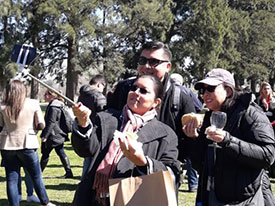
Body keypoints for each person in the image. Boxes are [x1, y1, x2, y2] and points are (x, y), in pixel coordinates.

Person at [71, 74, 181, 206]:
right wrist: (83, 123)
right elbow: (85, 150)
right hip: (94, 198)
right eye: (133, 88)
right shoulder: (106, 119)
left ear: (156, 102)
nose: (136, 93)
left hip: (136, 199)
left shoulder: (166, 134)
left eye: (143, 91)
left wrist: (143, 162)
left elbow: (171, 173)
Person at [107, 41, 196, 185]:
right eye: (142, 60)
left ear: (168, 66)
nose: (146, 66)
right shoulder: (124, 89)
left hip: (158, 176)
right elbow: (107, 126)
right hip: (116, 173)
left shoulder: (181, 97)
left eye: (154, 62)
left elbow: (187, 147)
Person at [183, 68, 275, 205]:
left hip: (245, 200)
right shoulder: (209, 117)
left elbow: (268, 155)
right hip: (212, 198)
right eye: (202, 90)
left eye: (210, 89)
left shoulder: (250, 114)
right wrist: (194, 139)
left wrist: (227, 140)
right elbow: (200, 165)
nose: (204, 94)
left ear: (228, 90)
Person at [0, 80, 55, 206]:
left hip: (7, 144)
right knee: (36, 176)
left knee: (11, 179)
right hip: (28, 143)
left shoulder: (2, 106)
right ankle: (45, 202)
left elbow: (0, 125)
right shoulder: (32, 104)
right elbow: (41, 125)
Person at [77, 74, 107, 177]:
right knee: (94, 159)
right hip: (96, 130)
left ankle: (84, 178)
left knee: (87, 158)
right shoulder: (98, 96)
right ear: (99, 84)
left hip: (84, 127)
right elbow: (104, 115)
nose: (103, 89)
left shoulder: (82, 94)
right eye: (103, 86)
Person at [40, 89, 73, 178]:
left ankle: (38, 174)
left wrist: (45, 136)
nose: (44, 96)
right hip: (58, 134)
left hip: (53, 134)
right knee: (60, 151)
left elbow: (51, 122)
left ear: (52, 96)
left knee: (46, 153)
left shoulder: (54, 107)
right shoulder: (56, 105)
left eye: (46, 94)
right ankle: (69, 172)